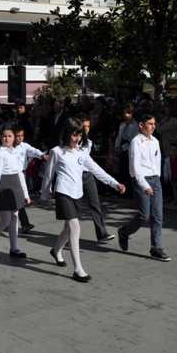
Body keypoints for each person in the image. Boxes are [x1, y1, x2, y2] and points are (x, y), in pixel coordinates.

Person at [42, 118, 125, 283]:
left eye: (79, 135)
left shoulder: (82, 152)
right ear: (67, 134)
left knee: (68, 228)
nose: (77, 138)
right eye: (74, 135)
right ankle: (78, 269)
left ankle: (56, 250)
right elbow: (48, 174)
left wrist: (115, 184)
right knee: (75, 227)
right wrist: (45, 193)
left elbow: (96, 170)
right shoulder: (56, 151)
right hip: (63, 192)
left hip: (77, 193)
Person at [117, 114, 171, 262]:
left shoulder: (155, 141)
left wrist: (157, 178)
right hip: (141, 179)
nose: (153, 126)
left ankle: (156, 247)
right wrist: (145, 185)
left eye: (154, 123)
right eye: (150, 123)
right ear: (141, 125)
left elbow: (157, 161)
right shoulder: (136, 142)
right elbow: (135, 167)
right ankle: (124, 232)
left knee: (157, 215)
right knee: (144, 215)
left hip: (155, 179)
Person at [0, 124, 30, 258]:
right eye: (4, 136)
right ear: (1, 138)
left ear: (14, 138)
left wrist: (26, 193)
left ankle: (14, 248)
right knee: (6, 219)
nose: (7, 138)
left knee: (15, 217)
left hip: (15, 185)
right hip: (3, 185)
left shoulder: (16, 151)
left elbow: (20, 173)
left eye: (10, 136)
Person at [81, 116, 115, 243]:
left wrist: (113, 183)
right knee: (74, 209)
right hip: (74, 176)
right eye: (84, 126)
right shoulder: (69, 143)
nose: (86, 129)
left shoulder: (89, 143)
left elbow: (92, 165)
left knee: (95, 203)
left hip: (87, 175)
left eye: (88, 126)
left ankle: (102, 233)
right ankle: (68, 234)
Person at [14, 127, 45, 233]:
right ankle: (24, 223)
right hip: (12, 176)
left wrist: (42, 155)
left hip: (22, 174)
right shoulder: (8, 147)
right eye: (17, 136)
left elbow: (33, 151)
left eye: (22, 136)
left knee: (18, 200)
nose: (20, 138)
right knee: (18, 199)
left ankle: (24, 224)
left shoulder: (24, 146)